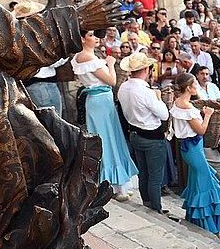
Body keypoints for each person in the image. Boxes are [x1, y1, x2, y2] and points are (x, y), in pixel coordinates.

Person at [73, 30, 137, 202]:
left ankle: (118, 183)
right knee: (108, 140)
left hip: (98, 101)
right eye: (91, 35)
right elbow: (112, 81)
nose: (96, 38)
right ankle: (113, 185)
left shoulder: (80, 57)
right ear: (82, 38)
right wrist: (110, 64)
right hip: (100, 101)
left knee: (109, 139)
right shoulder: (89, 58)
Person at [169, 73, 220, 235]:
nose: (197, 86)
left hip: (189, 148)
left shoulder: (178, 102)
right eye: (195, 84)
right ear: (189, 87)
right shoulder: (187, 108)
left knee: (196, 183)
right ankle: (209, 225)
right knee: (205, 184)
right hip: (194, 149)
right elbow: (201, 130)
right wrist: (208, 115)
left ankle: (196, 219)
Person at [118, 52, 171, 214]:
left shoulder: (123, 87)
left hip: (135, 133)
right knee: (154, 176)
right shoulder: (145, 91)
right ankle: (155, 208)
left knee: (144, 173)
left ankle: (147, 202)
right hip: (151, 137)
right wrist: (158, 97)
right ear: (146, 70)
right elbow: (164, 115)